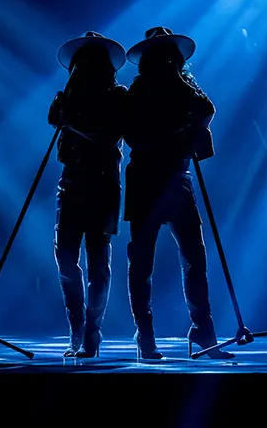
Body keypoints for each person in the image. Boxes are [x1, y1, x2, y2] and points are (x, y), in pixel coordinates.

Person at [122, 26, 234, 360]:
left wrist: (181, 82)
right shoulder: (137, 91)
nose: (168, 60)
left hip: (178, 180)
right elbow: (134, 137)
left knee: (195, 259)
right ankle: (145, 335)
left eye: (171, 55)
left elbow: (207, 109)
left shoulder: (186, 90)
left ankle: (203, 331)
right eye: (161, 55)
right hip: (146, 179)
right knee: (141, 262)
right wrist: (174, 133)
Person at [47, 31, 127, 358]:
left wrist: (72, 122)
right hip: (71, 183)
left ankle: (92, 332)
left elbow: (108, 138)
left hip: (103, 183)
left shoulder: (118, 96)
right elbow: (53, 120)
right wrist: (64, 107)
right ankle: (76, 326)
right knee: (65, 256)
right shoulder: (69, 98)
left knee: (98, 263)